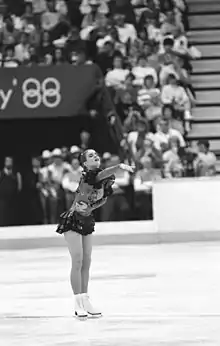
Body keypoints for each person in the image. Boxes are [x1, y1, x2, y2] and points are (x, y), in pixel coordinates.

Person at [56, 149, 134, 320]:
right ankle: (77, 302)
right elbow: (101, 175)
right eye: (90, 156)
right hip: (73, 220)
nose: (95, 156)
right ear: (84, 163)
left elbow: (103, 199)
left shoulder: (103, 180)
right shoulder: (90, 175)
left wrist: (90, 208)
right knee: (77, 260)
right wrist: (119, 166)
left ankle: (85, 299)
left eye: (96, 154)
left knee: (87, 262)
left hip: (87, 221)